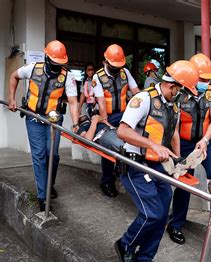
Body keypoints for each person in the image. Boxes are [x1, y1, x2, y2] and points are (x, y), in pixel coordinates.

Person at [114, 60, 199, 262]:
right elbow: (123, 131)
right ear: (173, 86)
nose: (184, 97)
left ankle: (145, 257)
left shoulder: (174, 105)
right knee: (152, 213)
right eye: (183, 91)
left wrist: (180, 161)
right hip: (135, 163)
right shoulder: (143, 99)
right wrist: (152, 144)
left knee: (162, 215)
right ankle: (125, 245)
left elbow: (174, 133)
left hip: (158, 166)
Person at [7, 40, 79, 211]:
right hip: (33, 118)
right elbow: (13, 76)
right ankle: (43, 197)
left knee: (52, 155)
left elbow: (73, 102)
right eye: (55, 63)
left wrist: (75, 123)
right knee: (39, 156)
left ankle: (49, 184)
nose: (57, 67)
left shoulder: (67, 77)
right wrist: (12, 98)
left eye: (60, 63)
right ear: (47, 58)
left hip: (54, 120)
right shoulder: (32, 68)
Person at [167, 53, 211, 245]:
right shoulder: (178, 92)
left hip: (205, 140)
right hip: (183, 143)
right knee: (185, 183)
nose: (205, 82)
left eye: (208, 79)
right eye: (202, 78)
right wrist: (177, 155)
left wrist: (206, 140)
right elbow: (173, 127)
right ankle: (175, 224)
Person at [91, 44, 140, 197]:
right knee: (110, 146)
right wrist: (106, 122)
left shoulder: (125, 72)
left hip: (125, 114)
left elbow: (136, 92)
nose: (117, 69)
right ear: (106, 61)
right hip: (109, 116)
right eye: (114, 66)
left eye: (119, 66)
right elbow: (101, 102)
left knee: (132, 143)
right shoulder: (97, 77)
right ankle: (107, 180)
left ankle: (124, 172)